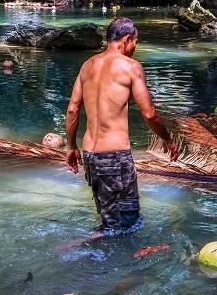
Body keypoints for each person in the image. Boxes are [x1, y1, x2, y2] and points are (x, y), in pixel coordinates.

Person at [64, 17, 179, 236]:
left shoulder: (87, 66)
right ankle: (76, 250)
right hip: (115, 158)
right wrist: (168, 139)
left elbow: (72, 110)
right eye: (136, 42)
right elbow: (149, 114)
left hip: (90, 156)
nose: (135, 48)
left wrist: (71, 147)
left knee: (111, 221)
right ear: (126, 39)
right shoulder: (131, 67)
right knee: (127, 225)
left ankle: (91, 253)